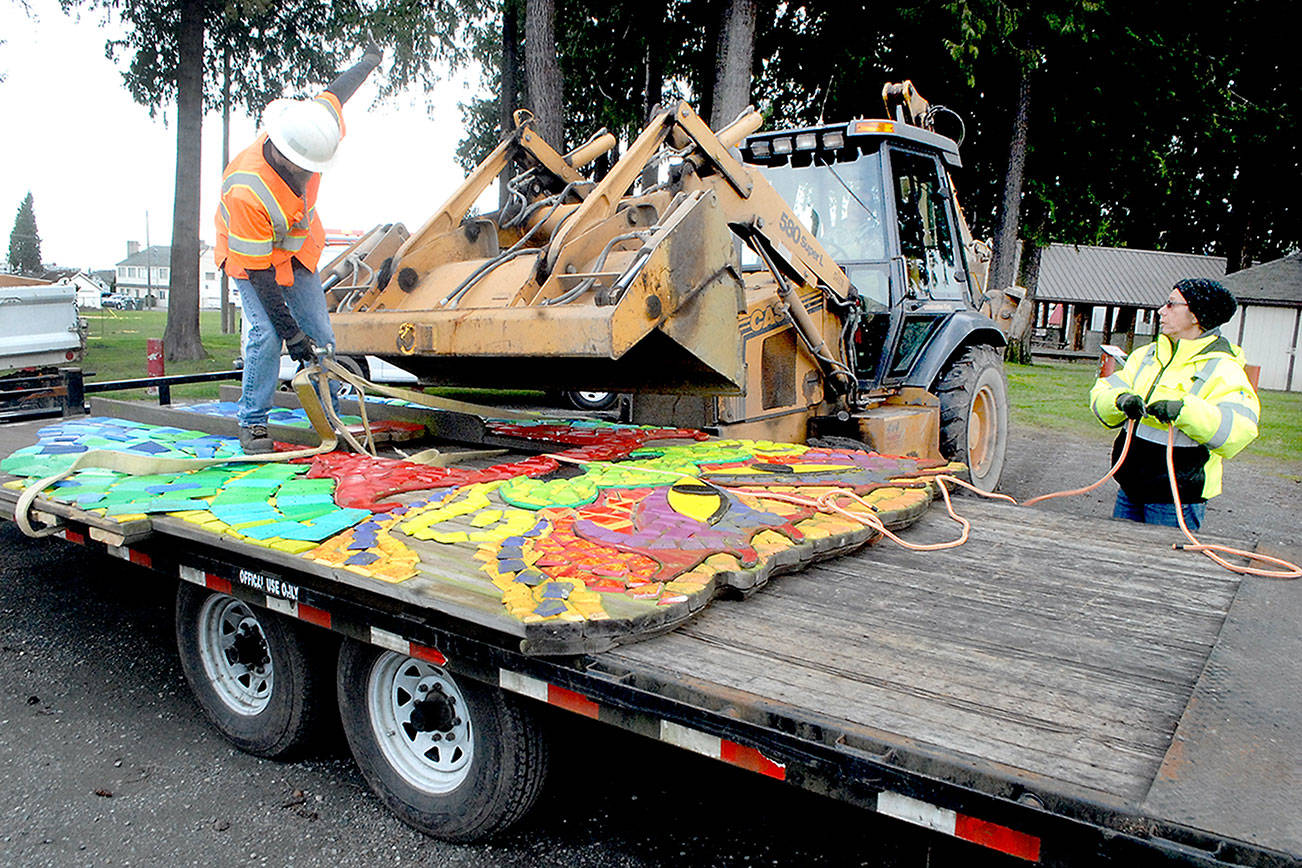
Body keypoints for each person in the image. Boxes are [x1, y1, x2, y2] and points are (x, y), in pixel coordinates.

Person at [215, 41, 383, 454]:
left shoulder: (312, 128)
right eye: (304, 169)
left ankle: (332, 421)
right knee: (266, 335)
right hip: (252, 259)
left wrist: (367, 62)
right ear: (285, 156)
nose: (310, 176)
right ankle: (252, 422)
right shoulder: (246, 190)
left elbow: (337, 93)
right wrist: (292, 336)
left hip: (298, 249)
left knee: (323, 338)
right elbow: (261, 276)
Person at [1088, 278, 1260, 530]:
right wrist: (1120, 401)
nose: (1161, 311)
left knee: (1162, 569)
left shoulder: (1224, 369)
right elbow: (1102, 392)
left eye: (1171, 304)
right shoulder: (1146, 356)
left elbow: (1239, 431)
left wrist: (1184, 411)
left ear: (1196, 316)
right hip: (1130, 488)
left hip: (1177, 499)